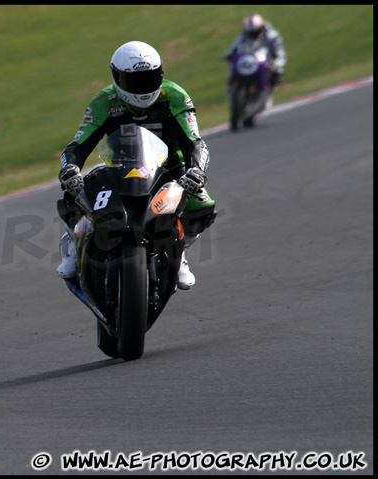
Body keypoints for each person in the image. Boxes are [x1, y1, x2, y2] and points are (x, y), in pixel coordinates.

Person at [56, 41, 216, 290]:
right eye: (135, 81)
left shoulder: (174, 96)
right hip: (116, 167)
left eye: (149, 78)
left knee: (201, 203)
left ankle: (180, 253)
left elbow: (194, 142)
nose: (143, 88)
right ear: (117, 77)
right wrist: (70, 169)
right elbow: (77, 145)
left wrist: (196, 171)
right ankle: (71, 246)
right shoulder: (103, 102)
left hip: (168, 167)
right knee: (74, 191)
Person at [223, 14, 286, 90]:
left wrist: (275, 63)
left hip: (267, 61)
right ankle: (232, 88)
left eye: (255, 33)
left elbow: (279, 53)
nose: (253, 35)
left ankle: (269, 89)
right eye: (250, 33)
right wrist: (229, 54)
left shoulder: (272, 36)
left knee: (278, 73)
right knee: (232, 67)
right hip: (249, 59)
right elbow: (235, 46)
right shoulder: (243, 35)